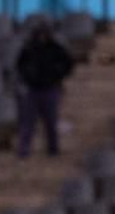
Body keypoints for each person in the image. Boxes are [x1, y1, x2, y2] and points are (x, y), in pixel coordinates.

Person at [15, 20, 74, 158]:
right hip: (33, 90)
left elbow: (68, 63)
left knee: (51, 122)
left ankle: (53, 149)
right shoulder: (29, 48)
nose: (42, 36)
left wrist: (58, 74)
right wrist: (27, 77)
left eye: (45, 33)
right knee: (28, 122)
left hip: (50, 89)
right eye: (40, 33)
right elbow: (19, 65)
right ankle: (24, 150)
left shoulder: (55, 48)